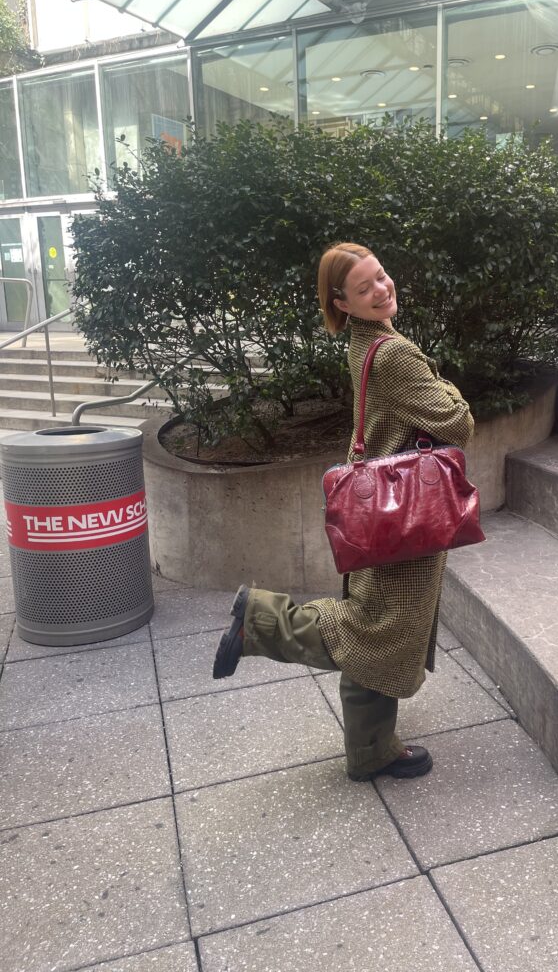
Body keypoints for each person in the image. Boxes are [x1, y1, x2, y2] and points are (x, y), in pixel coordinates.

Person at [212, 242, 475, 781]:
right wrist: (447, 383)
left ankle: (371, 749)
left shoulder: (365, 344)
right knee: (378, 628)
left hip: (378, 505)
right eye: (365, 288)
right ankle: (260, 621)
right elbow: (457, 422)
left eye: (381, 277)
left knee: (379, 625)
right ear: (344, 302)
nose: (382, 290)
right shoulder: (394, 354)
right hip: (402, 513)